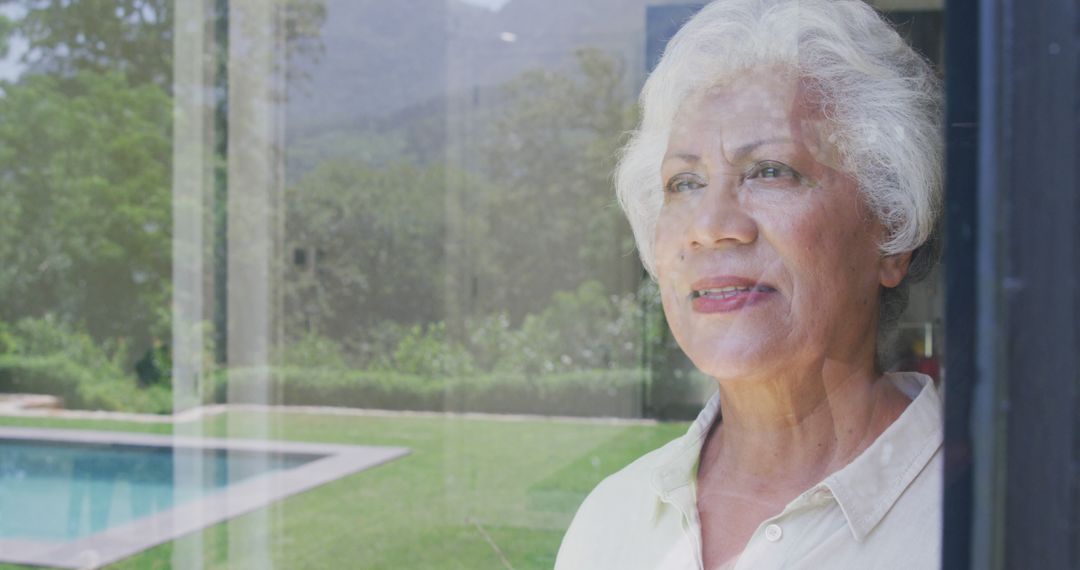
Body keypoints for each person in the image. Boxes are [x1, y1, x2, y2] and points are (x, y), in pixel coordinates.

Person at [555, 1, 943, 568]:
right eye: (684, 182)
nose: (711, 228)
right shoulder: (612, 519)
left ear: (891, 229)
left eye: (770, 171)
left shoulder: (985, 518)